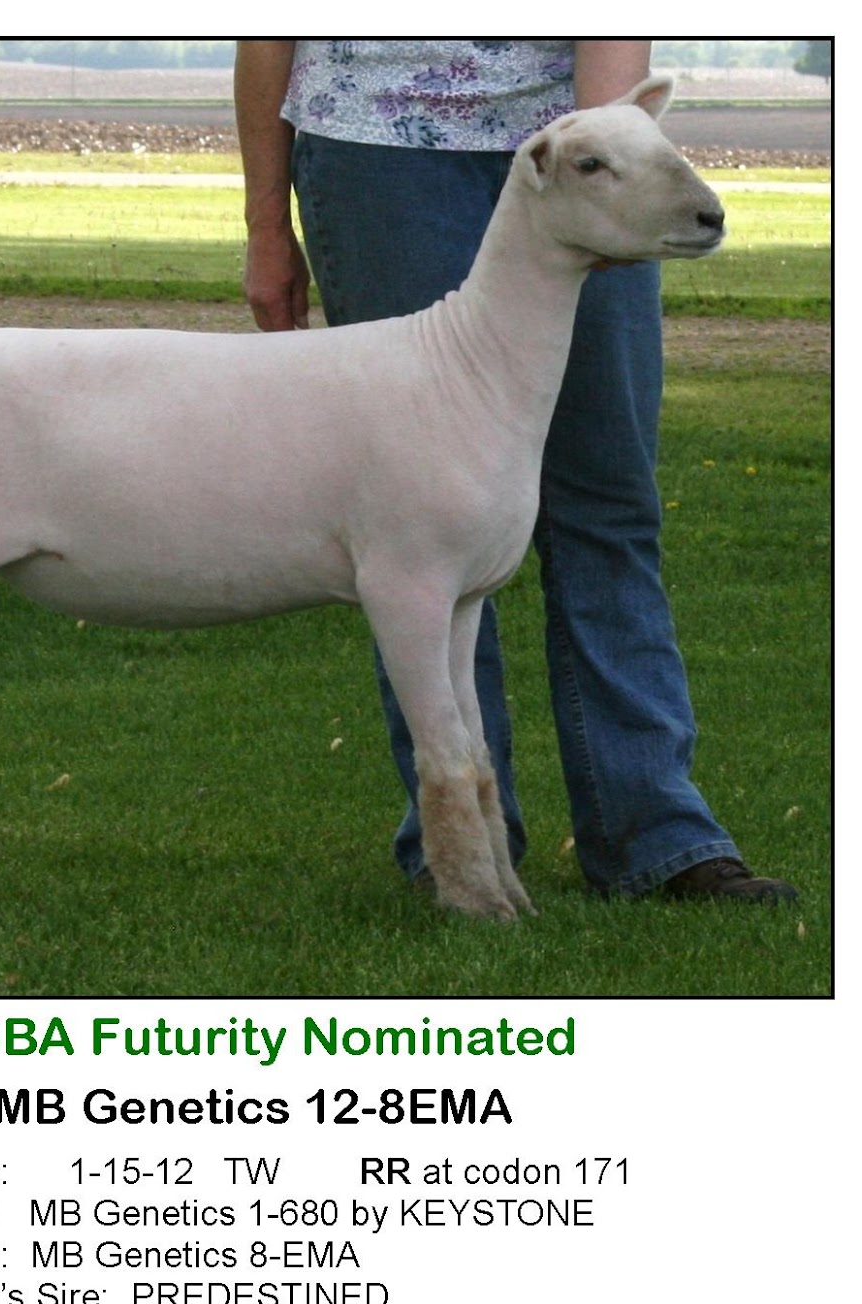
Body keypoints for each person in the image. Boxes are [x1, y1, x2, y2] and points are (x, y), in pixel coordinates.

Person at [234, 38, 797, 904]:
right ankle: (460, 846)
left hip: (582, 151)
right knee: (419, 534)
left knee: (607, 501)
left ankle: (657, 835)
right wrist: (266, 225)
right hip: (377, 142)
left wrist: (604, 141)